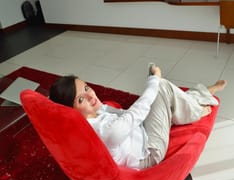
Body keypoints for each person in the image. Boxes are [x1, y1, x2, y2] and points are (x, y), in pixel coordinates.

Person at [49, 64, 226, 170]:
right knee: (161, 87)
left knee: (161, 95)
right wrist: (154, 79)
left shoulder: (91, 115)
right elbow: (134, 115)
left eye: (87, 88)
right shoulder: (104, 131)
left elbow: (125, 115)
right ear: (70, 110)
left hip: (140, 133)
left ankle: (199, 96)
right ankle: (197, 109)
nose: (90, 96)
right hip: (149, 153)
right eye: (81, 99)